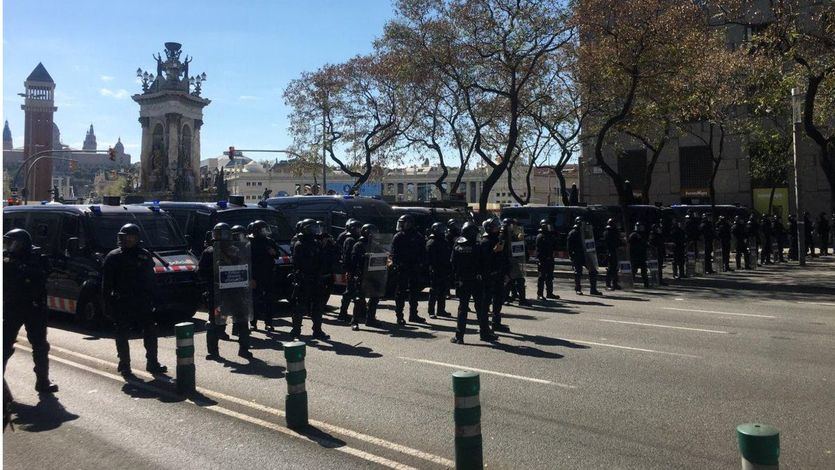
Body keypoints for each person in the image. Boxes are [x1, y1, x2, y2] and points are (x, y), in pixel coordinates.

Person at [102, 223, 167, 376]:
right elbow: (106, 284)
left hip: (142, 301)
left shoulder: (144, 255)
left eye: (130, 237)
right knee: (122, 334)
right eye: (124, 237)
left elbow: (151, 280)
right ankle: (124, 364)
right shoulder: (113, 257)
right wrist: (106, 304)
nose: (127, 240)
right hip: (122, 301)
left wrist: (157, 299)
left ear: (137, 238)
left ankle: (152, 363)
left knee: (150, 332)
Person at [3, 229, 58, 394]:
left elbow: (45, 273)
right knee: (4, 344)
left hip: (34, 307)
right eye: (8, 243)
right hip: (13, 306)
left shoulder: (37, 257)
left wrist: (24, 269)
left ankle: (43, 381)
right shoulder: (7, 259)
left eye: (14, 243)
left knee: (40, 346)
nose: (10, 247)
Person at [451, 222, 497, 344]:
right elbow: (485, 263)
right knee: (481, 308)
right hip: (476, 281)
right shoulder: (478, 246)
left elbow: (453, 263)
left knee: (463, 308)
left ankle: (459, 336)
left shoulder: (457, 245)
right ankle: (485, 333)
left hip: (463, 280)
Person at [291, 219, 329, 339]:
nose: (315, 230)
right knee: (300, 306)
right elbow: (298, 263)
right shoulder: (300, 244)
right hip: (304, 279)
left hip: (316, 279)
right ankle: (296, 330)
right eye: (312, 228)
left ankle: (317, 330)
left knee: (317, 306)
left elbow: (323, 260)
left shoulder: (316, 243)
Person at [390, 214, 427, 325]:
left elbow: (423, 252)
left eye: (404, 223)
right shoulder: (398, 236)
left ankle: (413, 315)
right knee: (400, 293)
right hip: (402, 268)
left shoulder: (418, 236)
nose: (401, 225)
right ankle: (399, 316)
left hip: (414, 268)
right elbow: (393, 253)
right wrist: (398, 264)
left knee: (414, 293)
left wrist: (421, 264)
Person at [480, 218, 511, 331]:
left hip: (499, 274)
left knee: (498, 300)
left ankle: (496, 323)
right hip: (489, 276)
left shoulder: (498, 240)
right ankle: (485, 326)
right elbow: (484, 261)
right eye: (495, 227)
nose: (498, 228)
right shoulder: (485, 241)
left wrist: (506, 273)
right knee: (486, 301)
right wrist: (494, 252)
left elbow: (503, 258)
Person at [350, 224, 382, 330]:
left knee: (375, 298)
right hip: (361, 275)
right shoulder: (358, 245)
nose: (373, 234)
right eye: (371, 232)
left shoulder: (376, 245)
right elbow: (354, 261)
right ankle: (354, 321)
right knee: (359, 300)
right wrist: (365, 257)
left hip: (374, 274)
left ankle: (371, 319)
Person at [248, 220, 279, 332]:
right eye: (263, 230)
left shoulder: (270, 241)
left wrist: (273, 252)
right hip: (256, 276)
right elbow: (247, 261)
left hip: (269, 274)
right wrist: (250, 278)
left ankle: (269, 322)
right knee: (255, 300)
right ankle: (253, 323)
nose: (265, 232)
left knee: (269, 300)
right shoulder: (250, 242)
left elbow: (277, 254)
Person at [567, 217, 601, 295]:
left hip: (587, 255)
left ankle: (593, 289)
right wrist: (571, 256)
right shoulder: (573, 233)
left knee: (593, 271)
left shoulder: (587, 232)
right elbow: (569, 246)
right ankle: (578, 289)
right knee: (578, 272)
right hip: (577, 255)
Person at [337, 219, 362, 323]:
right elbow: (347, 256)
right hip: (351, 269)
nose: (359, 230)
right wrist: (348, 270)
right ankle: (342, 313)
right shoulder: (349, 240)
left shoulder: (358, 239)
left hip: (357, 269)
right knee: (349, 291)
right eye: (357, 228)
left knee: (357, 291)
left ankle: (360, 313)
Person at [426, 222, 452, 319]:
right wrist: (433, 267)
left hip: (444, 269)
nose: (442, 232)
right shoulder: (432, 242)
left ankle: (441, 310)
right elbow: (430, 258)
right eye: (440, 230)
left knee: (443, 291)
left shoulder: (444, 241)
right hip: (435, 269)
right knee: (434, 291)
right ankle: (431, 311)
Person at [503, 218, 530, 307]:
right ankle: (508, 298)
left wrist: (520, 240)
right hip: (508, 260)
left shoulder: (512, 235)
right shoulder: (504, 235)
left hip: (513, 260)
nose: (514, 227)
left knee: (515, 280)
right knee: (513, 280)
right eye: (513, 225)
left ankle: (516, 299)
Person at [316, 221, 339, 316]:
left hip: (328, 269)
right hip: (318, 270)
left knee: (329, 288)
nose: (321, 228)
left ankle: (323, 305)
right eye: (319, 226)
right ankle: (315, 307)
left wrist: (333, 244)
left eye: (322, 226)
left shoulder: (330, 239)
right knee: (317, 290)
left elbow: (336, 251)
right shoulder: (313, 239)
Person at [535, 219, 560, 299]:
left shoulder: (550, 236)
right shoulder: (540, 236)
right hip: (543, 259)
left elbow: (554, 246)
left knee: (550, 277)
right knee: (542, 277)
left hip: (550, 259)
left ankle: (549, 293)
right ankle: (540, 294)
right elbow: (540, 249)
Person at [629, 223, 650, 288]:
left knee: (644, 270)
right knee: (634, 270)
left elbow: (645, 244)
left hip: (642, 255)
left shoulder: (642, 235)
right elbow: (631, 245)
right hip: (635, 255)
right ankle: (631, 283)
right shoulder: (633, 235)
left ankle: (646, 284)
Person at [603, 219, 622, 290]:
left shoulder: (614, 232)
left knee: (615, 268)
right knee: (611, 268)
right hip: (610, 251)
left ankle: (615, 283)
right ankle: (608, 284)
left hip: (615, 251)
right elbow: (613, 242)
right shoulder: (608, 232)